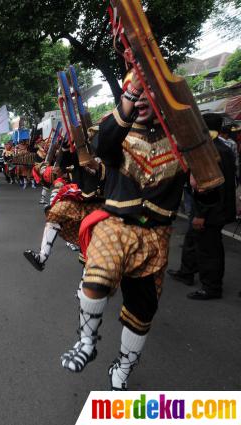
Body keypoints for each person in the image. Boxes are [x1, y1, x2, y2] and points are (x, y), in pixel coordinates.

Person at [59, 71, 192, 390]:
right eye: (135, 91)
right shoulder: (117, 132)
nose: (142, 97)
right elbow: (104, 143)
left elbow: (210, 184)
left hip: (156, 236)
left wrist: (203, 186)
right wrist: (129, 98)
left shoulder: (182, 138)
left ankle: (123, 368)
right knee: (96, 279)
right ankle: (87, 343)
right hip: (117, 224)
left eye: (149, 90)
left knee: (142, 311)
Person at [167, 113, 237, 300]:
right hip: (217, 208)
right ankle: (187, 272)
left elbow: (208, 188)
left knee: (209, 249)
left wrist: (200, 214)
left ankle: (212, 287)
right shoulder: (223, 148)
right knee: (193, 239)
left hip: (210, 210)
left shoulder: (210, 152)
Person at [25, 137, 105, 271]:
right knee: (55, 212)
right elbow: (61, 166)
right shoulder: (74, 154)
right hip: (79, 199)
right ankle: (42, 257)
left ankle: (84, 291)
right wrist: (65, 148)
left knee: (90, 253)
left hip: (101, 206)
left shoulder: (106, 155)